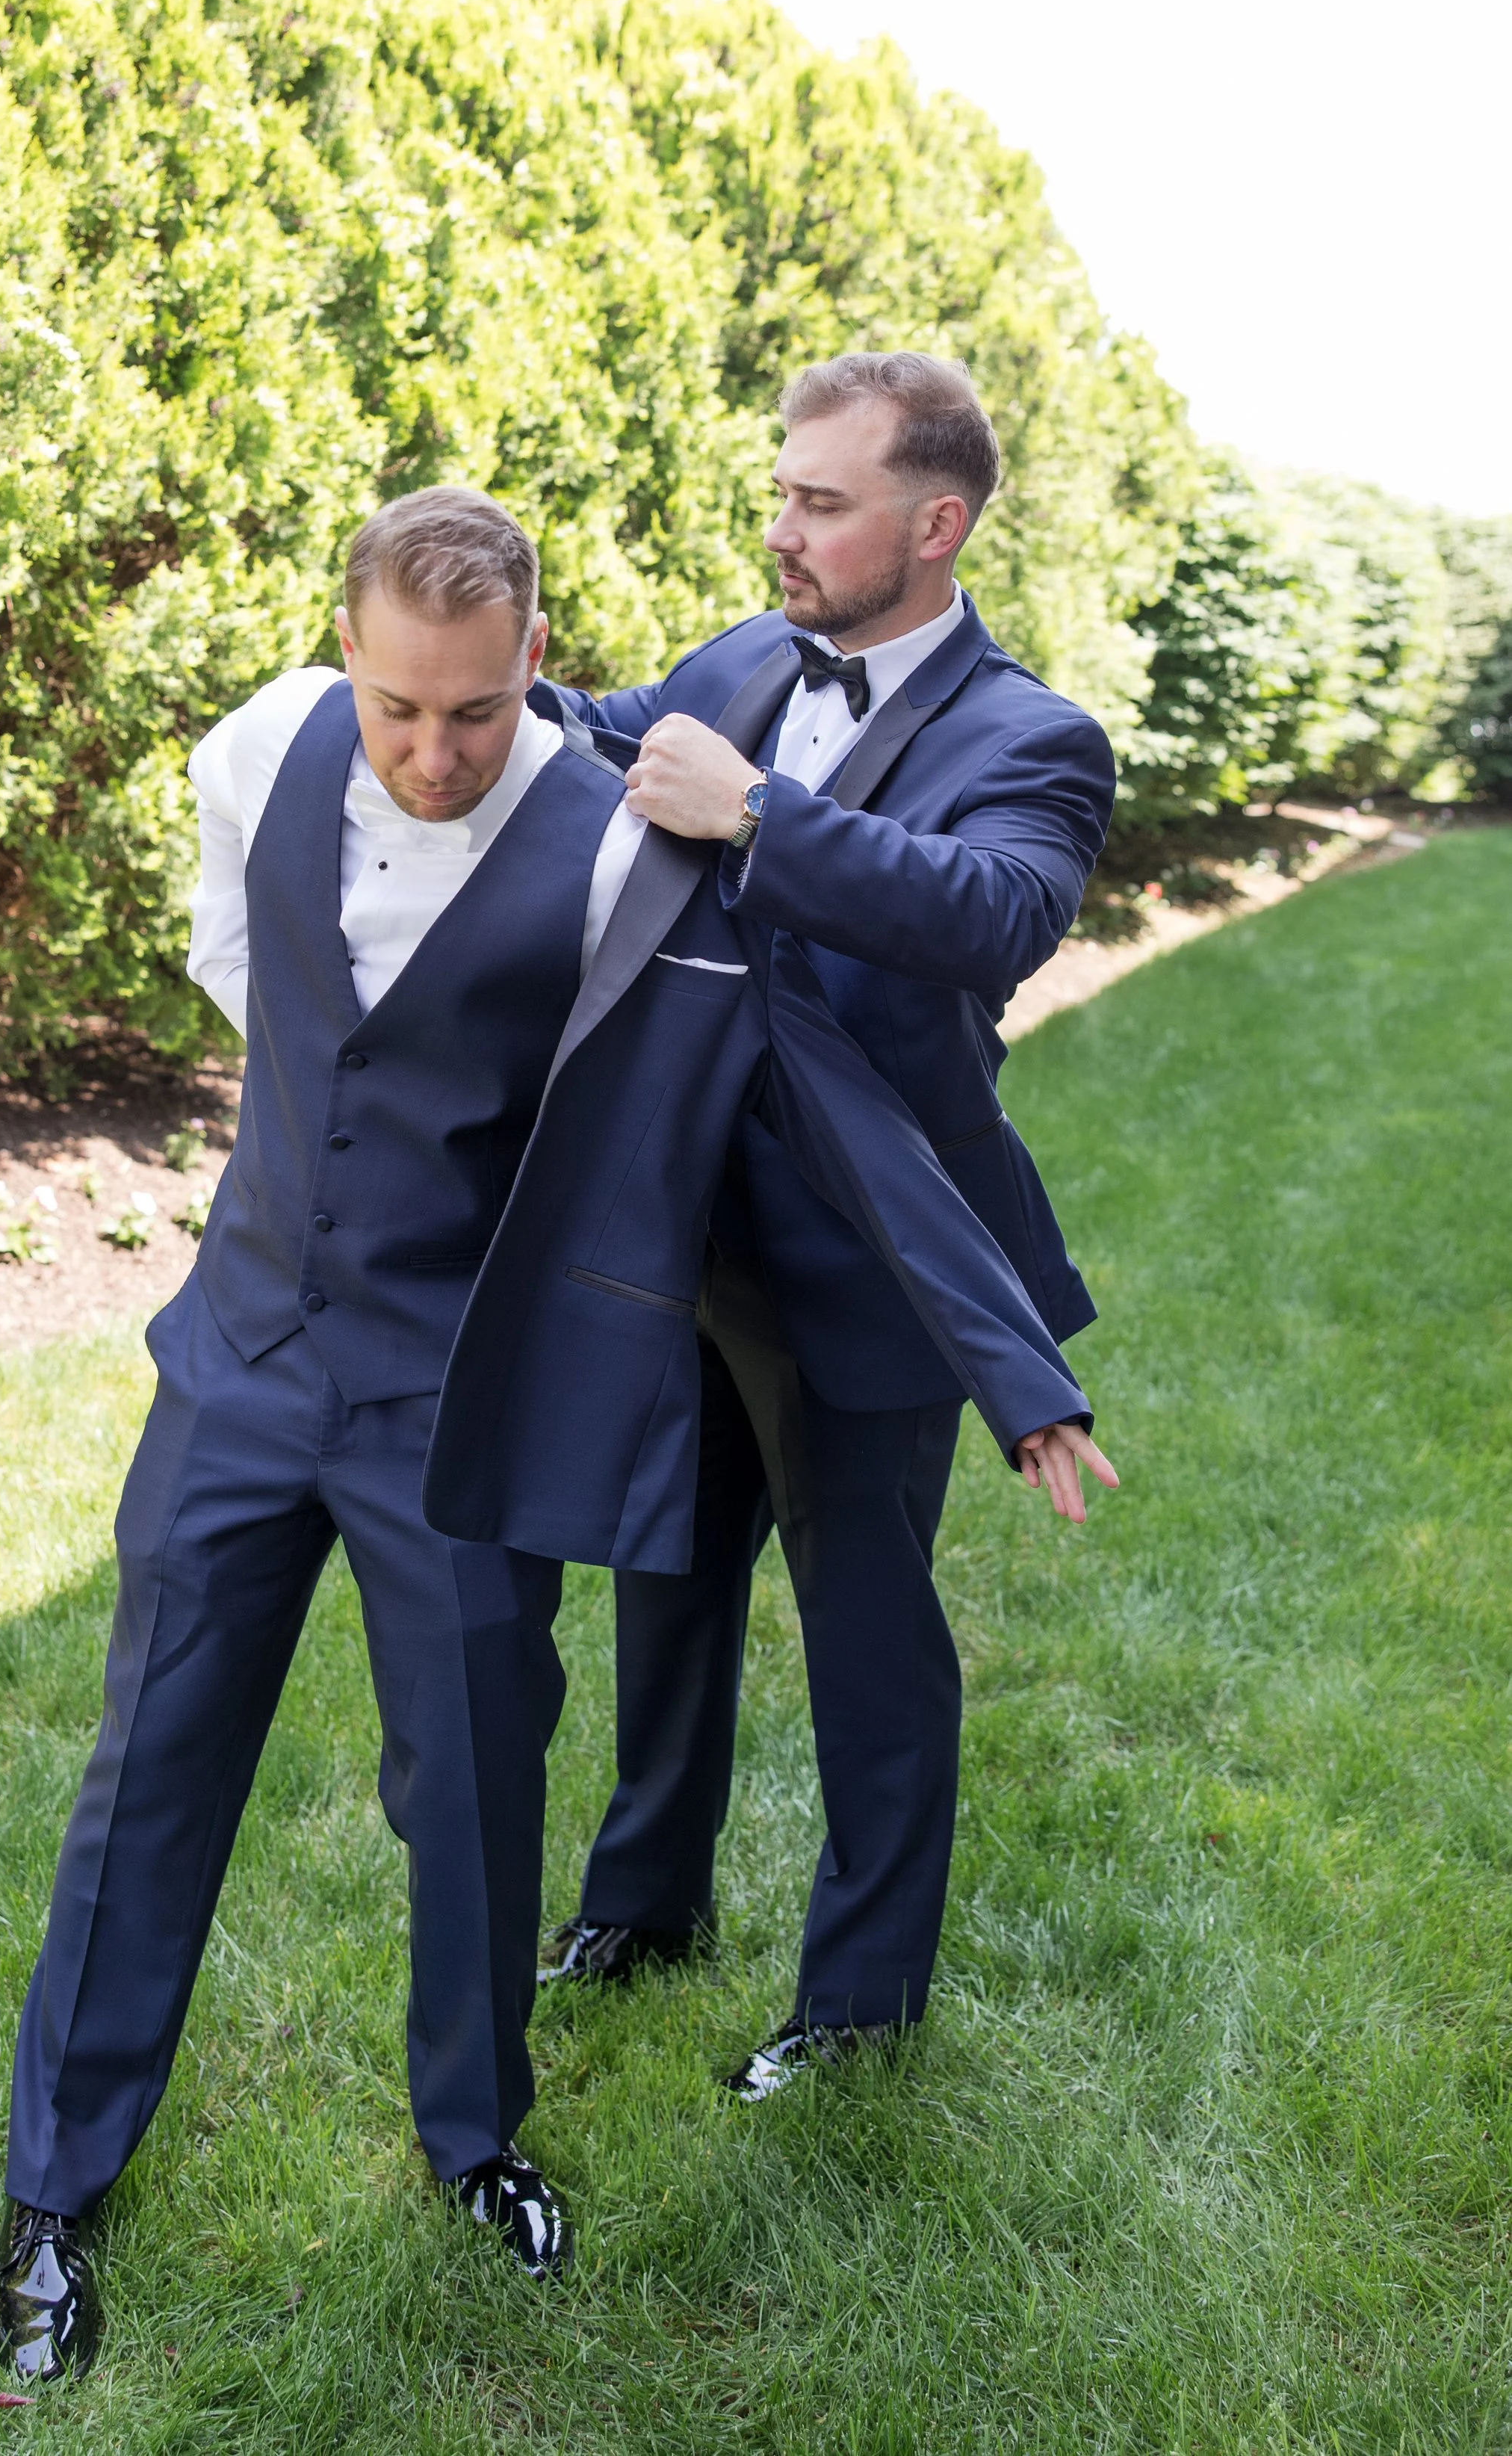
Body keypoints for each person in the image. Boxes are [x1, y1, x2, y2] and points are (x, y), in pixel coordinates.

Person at [0, 483, 1109, 2382]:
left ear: (534, 668)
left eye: (476, 712)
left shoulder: (617, 849)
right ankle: (52, 2198)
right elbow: (250, 987)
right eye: (398, 707)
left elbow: (825, 1102)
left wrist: (1012, 1369)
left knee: (481, 1789)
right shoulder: (253, 749)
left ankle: (470, 2136)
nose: (431, 752)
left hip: (456, 1396)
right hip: (243, 1363)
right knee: (150, 1770)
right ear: (343, 653)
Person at [543, 351, 1118, 2098]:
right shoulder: (738, 658)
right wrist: (471, 684)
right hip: (681, 1225)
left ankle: (857, 2007)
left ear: (932, 526)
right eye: (779, 490)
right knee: (667, 1573)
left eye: (820, 501)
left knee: (865, 1627)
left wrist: (761, 817)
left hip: (868, 1264)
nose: (778, 526)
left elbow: (993, 914)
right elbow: (608, 729)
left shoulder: (1032, 738)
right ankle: (645, 1906)